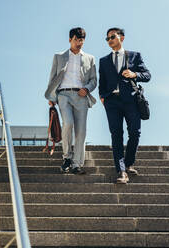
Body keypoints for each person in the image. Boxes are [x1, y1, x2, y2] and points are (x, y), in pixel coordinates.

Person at [99, 27, 151, 184]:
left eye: (112, 37)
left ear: (121, 37)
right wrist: (103, 97)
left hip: (131, 101)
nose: (110, 40)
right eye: (107, 38)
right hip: (112, 102)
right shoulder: (103, 61)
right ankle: (121, 171)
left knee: (135, 132)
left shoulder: (135, 56)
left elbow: (148, 75)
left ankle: (128, 163)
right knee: (116, 135)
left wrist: (135, 74)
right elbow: (102, 82)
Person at [45, 27, 97, 174]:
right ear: (70, 39)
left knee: (81, 132)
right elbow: (52, 77)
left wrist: (86, 89)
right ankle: (67, 157)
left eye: (81, 40)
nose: (79, 43)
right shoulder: (59, 56)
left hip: (81, 96)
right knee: (68, 123)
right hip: (63, 95)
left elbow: (94, 80)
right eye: (76, 40)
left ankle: (76, 164)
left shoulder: (90, 58)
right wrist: (51, 97)